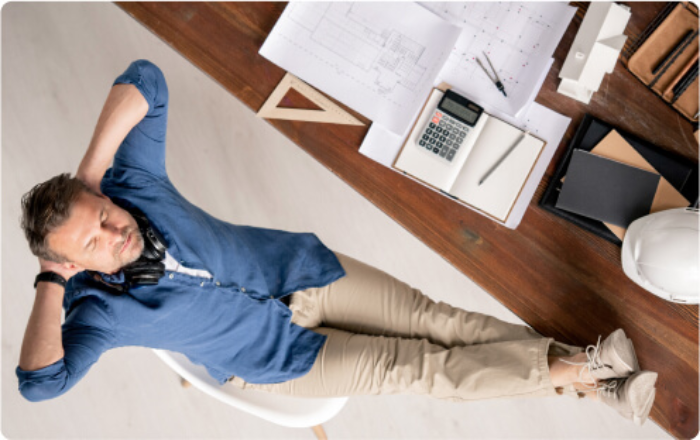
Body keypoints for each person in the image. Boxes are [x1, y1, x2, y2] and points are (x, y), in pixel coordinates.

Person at [17, 60, 658, 425]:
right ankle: (582, 369)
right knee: (423, 367)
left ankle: (596, 382)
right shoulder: (96, 314)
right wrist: (51, 278)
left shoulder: (132, 186)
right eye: (93, 244)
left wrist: (92, 173)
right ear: (73, 265)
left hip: (305, 271)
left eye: (101, 213)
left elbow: (147, 79)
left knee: (442, 321)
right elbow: (39, 386)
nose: (114, 230)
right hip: (284, 357)